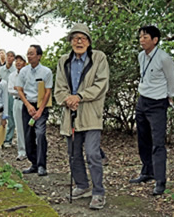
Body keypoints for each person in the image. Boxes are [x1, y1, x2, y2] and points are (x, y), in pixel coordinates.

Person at [54, 23, 109, 210]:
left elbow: (101, 84)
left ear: (89, 41)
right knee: (73, 154)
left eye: (83, 38)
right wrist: (67, 100)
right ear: (70, 41)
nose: (79, 41)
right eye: (76, 38)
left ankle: (99, 192)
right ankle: (82, 185)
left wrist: (80, 96)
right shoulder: (64, 60)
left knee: (93, 153)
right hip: (71, 114)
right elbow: (59, 87)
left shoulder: (99, 58)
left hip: (91, 113)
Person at [129, 25, 174, 196]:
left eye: (145, 37)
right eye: (140, 37)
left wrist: (170, 96)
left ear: (155, 40)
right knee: (143, 139)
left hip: (158, 103)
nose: (141, 40)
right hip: (142, 101)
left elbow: (172, 80)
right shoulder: (141, 56)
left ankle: (160, 180)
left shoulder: (164, 58)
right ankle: (147, 171)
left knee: (158, 143)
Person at [16, 45, 52, 176]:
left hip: (41, 107)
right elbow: (19, 89)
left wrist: (40, 110)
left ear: (39, 56)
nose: (29, 56)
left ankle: (42, 165)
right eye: (28, 53)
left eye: (31, 54)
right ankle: (34, 163)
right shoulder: (24, 71)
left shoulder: (46, 72)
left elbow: (48, 91)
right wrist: (28, 105)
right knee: (28, 136)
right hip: (27, 107)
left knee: (40, 134)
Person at [8, 54, 27, 161]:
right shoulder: (12, 76)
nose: (18, 62)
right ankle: (22, 151)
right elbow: (11, 90)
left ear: (25, 62)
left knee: (29, 127)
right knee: (19, 127)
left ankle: (31, 149)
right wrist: (21, 90)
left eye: (21, 60)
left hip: (28, 102)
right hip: (18, 102)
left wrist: (18, 89)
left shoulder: (29, 73)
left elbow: (31, 89)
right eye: (17, 61)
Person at [0, 50, 16, 148]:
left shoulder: (15, 70)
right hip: (1, 95)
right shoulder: (1, 70)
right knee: (0, 117)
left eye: (11, 56)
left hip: (11, 95)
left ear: (14, 58)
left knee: (11, 118)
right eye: (8, 56)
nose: (9, 58)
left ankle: (8, 139)